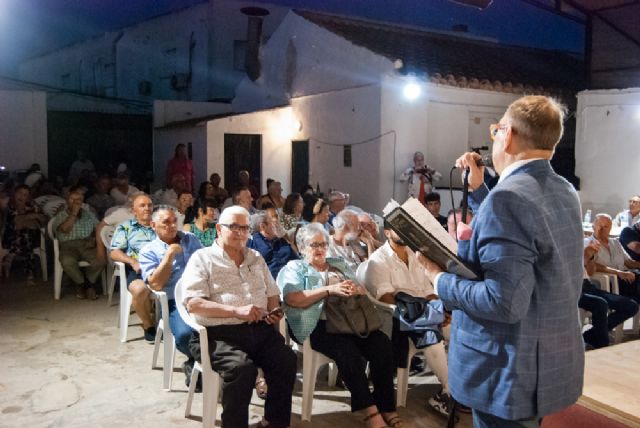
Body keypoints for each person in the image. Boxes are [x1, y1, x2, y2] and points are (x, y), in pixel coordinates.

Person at [417, 96, 585, 427]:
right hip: (543, 363)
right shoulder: (563, 190)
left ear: (507, 135)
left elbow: (502, 302)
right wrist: (481, 191)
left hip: (507, 371)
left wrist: (439, 279)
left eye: (495, 130)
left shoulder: (507, 199)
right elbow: (524, 227)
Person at [180, 206, 296, 428]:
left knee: (286, 360)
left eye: (244, 228)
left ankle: (275, 422)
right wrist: (235, 311)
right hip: (219, 334)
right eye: (234, 227)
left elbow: (272, 293)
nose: (241, 233)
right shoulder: (202, 258)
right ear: (219, 229)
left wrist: (273, 311)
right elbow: (193, 303)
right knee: (241, 369)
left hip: (258, 329)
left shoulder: (255, 257)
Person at [277, 223, 402, 428]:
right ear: (301, 247)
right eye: (313, 245)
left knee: (382, 344)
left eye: (323, 244)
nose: (320, 249)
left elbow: (358, 287)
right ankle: (371, 412)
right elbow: (293, 299)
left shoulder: (339, 263)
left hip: (349, 321)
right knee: (348, 352)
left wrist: (357, 290)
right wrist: (329, 289)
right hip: (318, 325)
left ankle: (386, 406)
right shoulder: (294, 268)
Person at [362, 224, 451, 417]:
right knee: (431, 336)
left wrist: (437, 310)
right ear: (387, 233)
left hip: (423, 310)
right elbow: (386, 298)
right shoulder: (379, 260)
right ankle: (448, 392)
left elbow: (428, 290)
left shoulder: (414, 255)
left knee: (459, 327)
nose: (403, 233)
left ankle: (461, 386)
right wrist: (426, 314)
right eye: (398, 229)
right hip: (400, 316)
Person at [138, 206, 203, 389]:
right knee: (184, 335)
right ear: (153, 225)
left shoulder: (191, 240)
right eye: (166, 222)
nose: (172, 225)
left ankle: (201, 365)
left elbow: (206, 263)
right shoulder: (148, 251)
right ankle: (196, 361)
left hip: (200, 295)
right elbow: (156, 285)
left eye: (174, 221)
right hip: (174, 302)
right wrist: (169, 255)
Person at [110, 193, 157, 342]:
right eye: (142, 205)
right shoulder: (126, 227)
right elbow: (115, 252)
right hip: (139, 269)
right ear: (133, 210)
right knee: (139, 289)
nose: (147, 208)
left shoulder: (160, 225)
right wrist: (132, 261)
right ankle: (148, 325)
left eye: (149, 205)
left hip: (162, 267)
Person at [580, 239, 638, 349]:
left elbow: (590, 272)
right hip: (573, 288)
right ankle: (602, 345)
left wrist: (589, 257)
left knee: (632, 306)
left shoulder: (581, 246)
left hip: (587, 285)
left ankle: (590, 336)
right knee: (600, 304)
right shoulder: (584, 243)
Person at [51, 186, 105, 299]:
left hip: (86, 244)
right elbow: (65, 229)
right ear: (67, 200)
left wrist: (96, 241)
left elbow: (100, 227)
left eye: (79, 200)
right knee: (67, 261)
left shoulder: (88, 214)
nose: (76, 202)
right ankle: (85, 285)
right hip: (68, 245)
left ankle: (85, 285)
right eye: (72, 199)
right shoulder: (61, 214)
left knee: (100, 259)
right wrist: (74, 213)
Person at [587, 213, 640, 303]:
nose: (602, 230)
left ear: (610, 228)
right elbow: (591, 265)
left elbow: (628, 262)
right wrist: (619, 272)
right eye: (600, 226)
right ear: (593, 227)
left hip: (628, 277)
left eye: (606, 227)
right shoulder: (588, 243)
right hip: (610, 280)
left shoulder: (615, 242)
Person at [1, 185, 48, 280]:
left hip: (29, 239)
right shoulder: (9, 205)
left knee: (26, 232)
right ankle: (29, 272)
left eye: (25, 195)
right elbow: (15, 222)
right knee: (26, 232)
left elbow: (44, 219)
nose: (21, 196)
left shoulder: (32, 205)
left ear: (28, 197)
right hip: (10, 238)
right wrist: (33, 217)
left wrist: (29, 220)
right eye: (19, 193)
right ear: (15, 193)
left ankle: (10, 257)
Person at [247, 211, 298, 280]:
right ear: (263, 226)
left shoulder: (281, 241)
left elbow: (297, 260)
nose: (275, 224)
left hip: (295, 276)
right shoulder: (252, 245)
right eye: (271, 222)